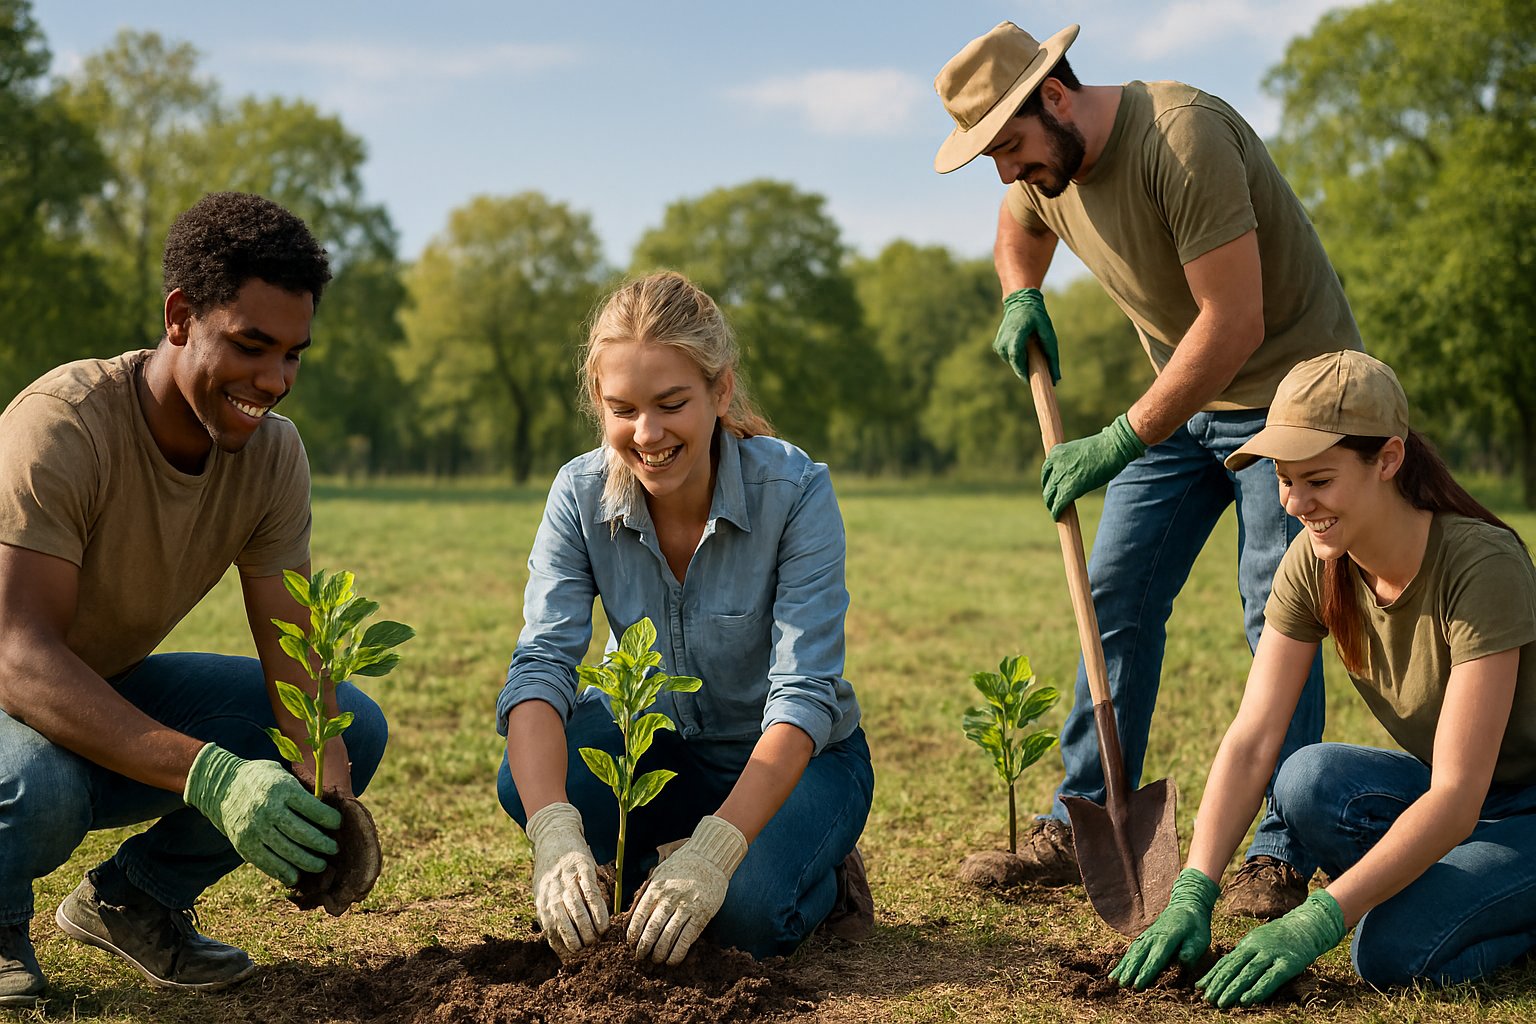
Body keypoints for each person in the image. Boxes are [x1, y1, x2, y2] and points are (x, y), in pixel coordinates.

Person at [931, 22, 1364, 913]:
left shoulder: (1180, 136)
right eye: (993, 158)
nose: (1009, 171)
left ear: (1055, 95)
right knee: (1115, 590)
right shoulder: (1044, 167)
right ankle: (1083, 810)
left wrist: (1118, 440)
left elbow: (1233, 321)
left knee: (1271, 613)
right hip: (1187, 396)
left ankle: (1280, 852)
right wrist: (1021, 292)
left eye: (1009, 147)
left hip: (1291, 399)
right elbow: (1018, 227)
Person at [0, 192, 388, 1008]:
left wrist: (330, 796)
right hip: (16, 694)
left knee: (351, 722)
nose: (274, 382)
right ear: (180, 316)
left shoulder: (273, 459)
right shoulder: (61, 426)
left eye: (293, 355)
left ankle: (134, 900)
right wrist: (212, 777)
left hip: (91, 690)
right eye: (252, 346)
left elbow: (294, 662)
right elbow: (19, 656)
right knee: (43, 792)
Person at [1111, 350, 1536, 1006]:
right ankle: (1464, 886)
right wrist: (1193, 888)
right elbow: (1254, 739)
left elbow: (1455, 797)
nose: (1296, 502)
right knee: (1307, 778)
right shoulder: (1317, 562)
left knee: (1390, 950)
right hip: (1469, 806)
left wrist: (1321, 917)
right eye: (1284, 480)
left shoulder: (1481, 565)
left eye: (1319, 480)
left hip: (1512, 807)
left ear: (1387, 460)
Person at [496, 271, 874, 964]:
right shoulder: (578, 495)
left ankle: (826, 877)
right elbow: (542, 666)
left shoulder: (794, 493)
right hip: (659, 748)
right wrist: (553, 834)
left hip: (797, 761)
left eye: (672, 403)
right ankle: (659, 856)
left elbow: (803, 695)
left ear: (720, 390)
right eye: (622, 409)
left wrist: (717, 854)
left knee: (744, 917)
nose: (647, 434)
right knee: (526, 782)